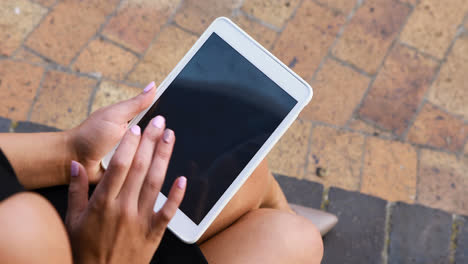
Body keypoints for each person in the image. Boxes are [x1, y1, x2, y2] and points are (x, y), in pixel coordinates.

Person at [0, 82, 333, 263]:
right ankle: (281, 218)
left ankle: (271, 207)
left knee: (247, 175)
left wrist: (71, 153)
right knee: (296, 240)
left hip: (56, 204)